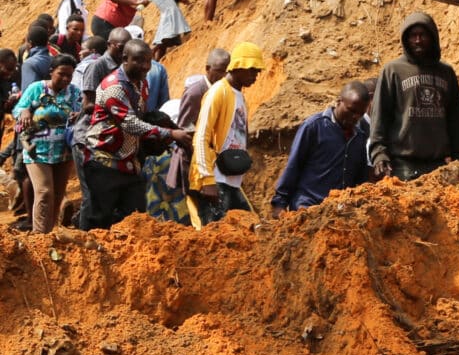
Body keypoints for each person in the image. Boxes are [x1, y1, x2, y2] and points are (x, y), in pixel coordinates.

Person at [81, 38, 189, 230]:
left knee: (134, 218)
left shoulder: (141, 83)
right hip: (104, 159)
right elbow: (130, 123)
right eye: (139, 60)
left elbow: (143, 116)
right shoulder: (114, 87)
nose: (145, 66)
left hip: (129, 161)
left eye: (148, 61)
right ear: (125, 59)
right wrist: (170, 134)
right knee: (99, 219)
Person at [369, 12, 459, 180]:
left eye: (422, 35)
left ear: (432, 37)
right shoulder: (393, 70)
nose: (417, 40)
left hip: (439, 164)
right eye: (413, 36)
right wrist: (379, 153)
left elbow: (456, 119)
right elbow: (380, 115)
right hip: (404, 165)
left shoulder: (446, 73)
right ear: (406, 39)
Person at [188, 42, 263, 226]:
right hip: (215, 177)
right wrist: (207, 179)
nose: (255, 75)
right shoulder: (218, 91)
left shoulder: (239, 96)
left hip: (231, 178)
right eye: (252, 70)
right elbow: (201, 136)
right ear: (238, 66)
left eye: (257, 71)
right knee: (216, 236)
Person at [271, 81, 372, 215]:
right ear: (339, 101)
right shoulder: (314, 127)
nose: (355, 117)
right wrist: (280, 203)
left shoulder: (359, 137)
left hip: (339, 212)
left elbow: (360, 178)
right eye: (351, 110)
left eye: (360, 114)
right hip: (308, 208)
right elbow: (294, 165)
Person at [14, 54, 78, 233]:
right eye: (61, 74)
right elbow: (18, 108)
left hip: (63, 151)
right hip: (37, 150)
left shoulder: (74, 92)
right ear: (51, 72)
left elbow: (82, 111)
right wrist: (25, 111)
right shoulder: (36, 88)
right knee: (44, 192)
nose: (65, 79)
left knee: (57, 195)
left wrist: (78, 116)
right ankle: (39, 235)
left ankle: (50, 233)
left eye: (69, 76)